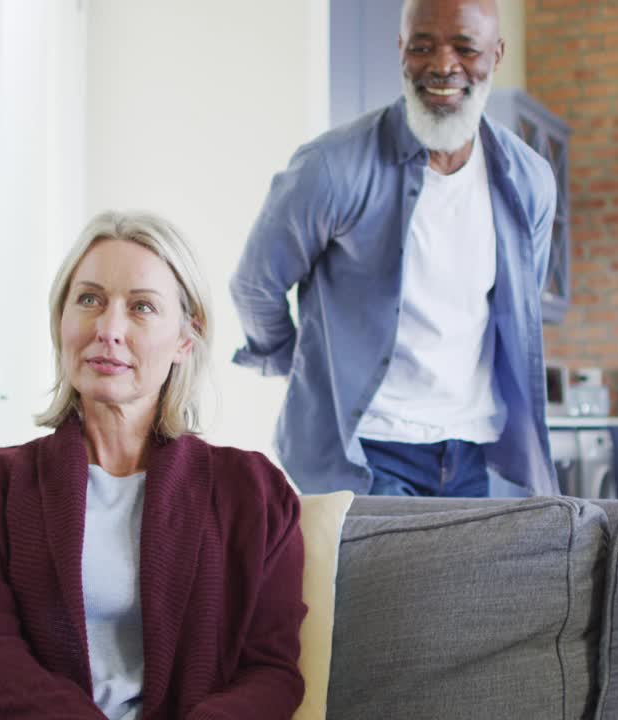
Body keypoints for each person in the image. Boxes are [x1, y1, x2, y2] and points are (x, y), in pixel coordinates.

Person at [0, 211, 306, 720]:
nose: (108, 329)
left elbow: (270, 673)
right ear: (61, 321)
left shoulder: (255, 492)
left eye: (142, 307)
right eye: (89, 300)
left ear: (186, 338)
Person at [230, 0, 557, 498]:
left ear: (497, 53)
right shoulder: (331, 167)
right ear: (401, 49)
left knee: (462, 582)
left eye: (465, 48)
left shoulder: (529, 180)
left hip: (471, 452)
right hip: (365, 452)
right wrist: (304, 368)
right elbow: (256, 285)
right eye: (422, 46)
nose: (443, 66)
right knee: (377, 582)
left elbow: (521, 309)